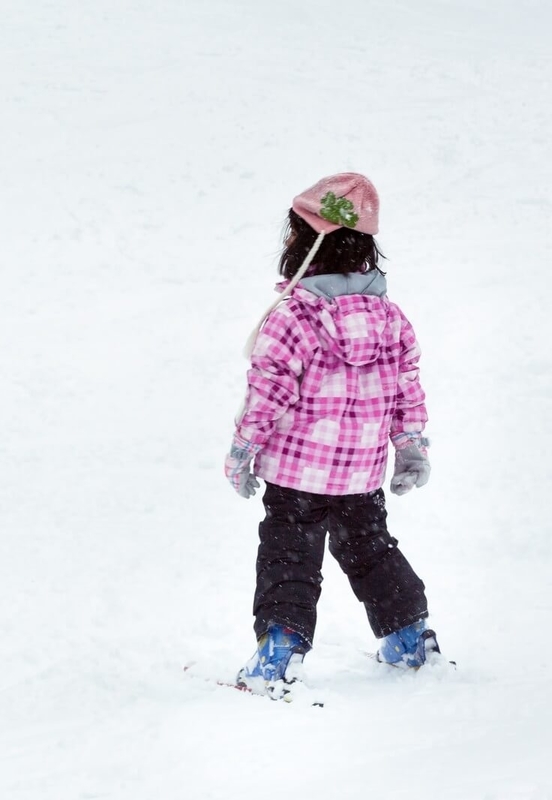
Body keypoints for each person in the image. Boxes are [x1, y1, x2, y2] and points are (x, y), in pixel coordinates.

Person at [223, 173, 442, 700]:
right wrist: (409, 445)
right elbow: (405, 388)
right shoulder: (392, 319)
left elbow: (267, 395)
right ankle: (410, 639)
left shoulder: (293, 318)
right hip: (359, 473)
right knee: (372, 552)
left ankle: (278, 652)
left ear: (304, 243)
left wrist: (242, 450)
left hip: (296, 475)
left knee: (289, 558)